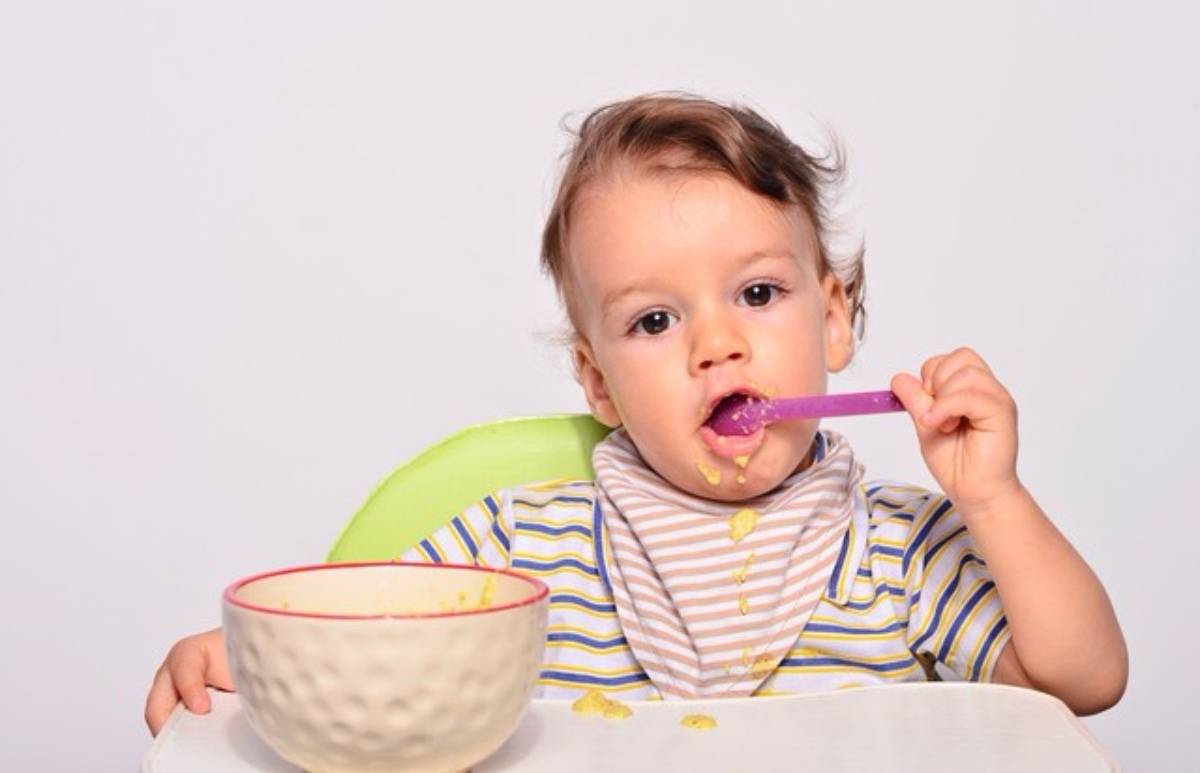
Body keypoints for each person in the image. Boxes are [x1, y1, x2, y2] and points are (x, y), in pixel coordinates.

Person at [145, 93, 1127, 734]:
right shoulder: (520, 544)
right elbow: (367, 629)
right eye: (655, 318)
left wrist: (994, 498)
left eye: (756, 294)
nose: (716, 344)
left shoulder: (900, 551)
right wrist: (244, 654)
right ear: (600, 383)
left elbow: (1082, 681)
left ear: (832, 318)